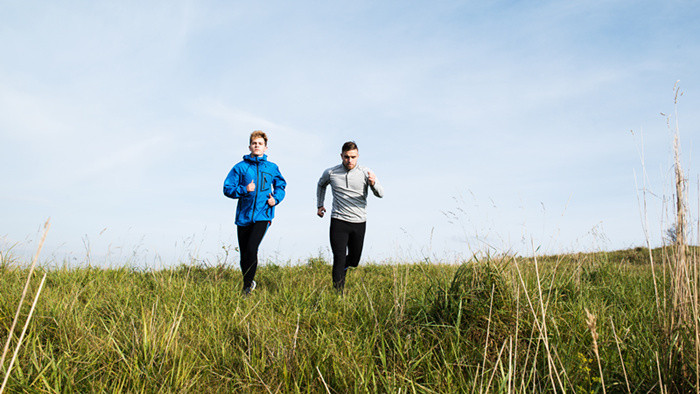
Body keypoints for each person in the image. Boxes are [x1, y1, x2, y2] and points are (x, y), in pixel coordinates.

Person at [223, 130, 286, 295]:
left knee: (252, 248)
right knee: (244, 255)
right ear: (250, 146)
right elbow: (227, 188)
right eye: (254, 143)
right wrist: (245, 189)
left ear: (266, 148)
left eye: (260, 144)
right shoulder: (240, 167)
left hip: (263, 215)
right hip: (244, 217)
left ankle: (246, 289)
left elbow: (281, 185)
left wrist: (276, 199)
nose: (257, 146)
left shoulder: (272, 168)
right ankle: (248, 282)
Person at [316, 141, 383, 293]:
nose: (350, 160)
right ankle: (338, 295)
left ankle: (344, 268)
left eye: (353, 157)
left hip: (359, 222)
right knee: (339, 258)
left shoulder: (366, 172)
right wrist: (320, 205)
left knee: (354, 260)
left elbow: (381, 194)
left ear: (358, 156)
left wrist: (373, 184)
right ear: (341, 156)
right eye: (346, 157)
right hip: (338, 220)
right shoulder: (331, 172)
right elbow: (321, 185)